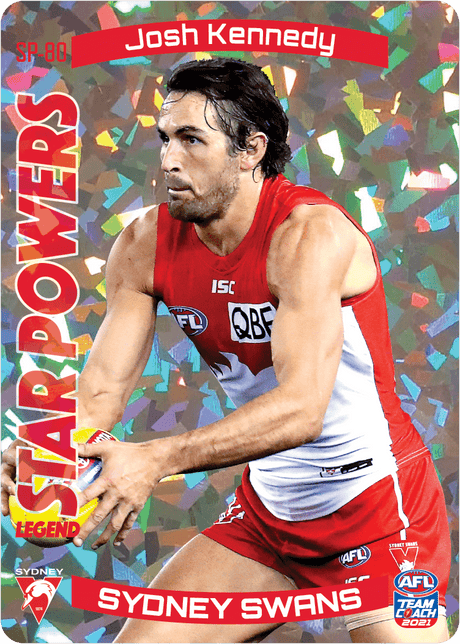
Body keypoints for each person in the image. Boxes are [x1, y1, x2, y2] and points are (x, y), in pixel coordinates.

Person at [1, 59, 450, 644]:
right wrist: (45, 453)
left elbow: (302, 410)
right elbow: (101, 393)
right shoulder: (143, 244)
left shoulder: (309, 235)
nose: (169, 159)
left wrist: (154, 460)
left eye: (192, 139)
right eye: (165, 138)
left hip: (379, 513)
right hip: (269, 520)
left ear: (250, 150)